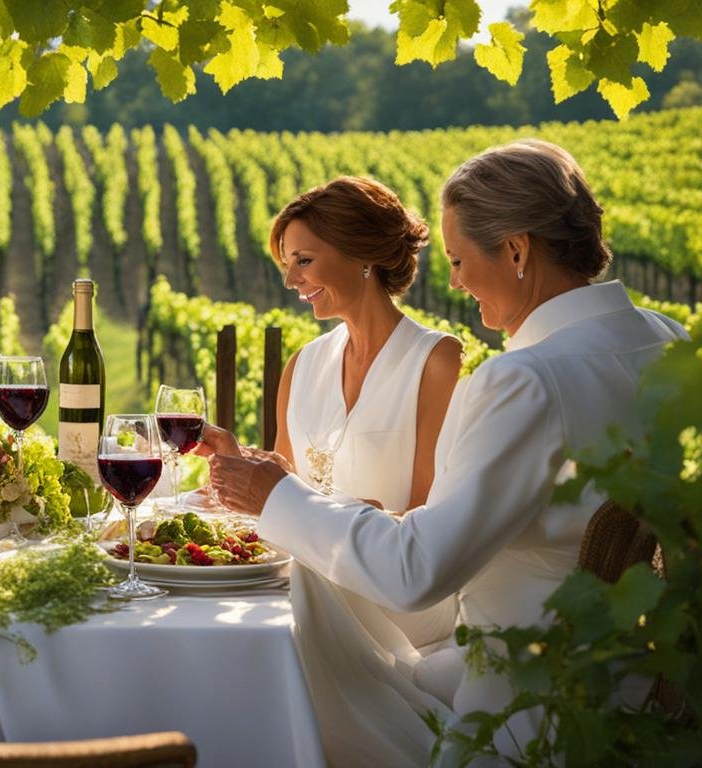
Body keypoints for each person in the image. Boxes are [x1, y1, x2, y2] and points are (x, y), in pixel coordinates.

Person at [202, 139, 688, 766]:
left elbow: (416, 574)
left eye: (459, 261)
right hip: (631, 681)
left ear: (516, 250)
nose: (454, 282)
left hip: (521, 710)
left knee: (281, 696)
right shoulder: (665, 342)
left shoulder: (527, 380)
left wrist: (278, 497)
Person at [197, 176, 463, 763]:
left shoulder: (435, 360)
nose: (291, 279)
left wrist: (309, 508)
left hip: (397, 602)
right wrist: (238, 466)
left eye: (304, 261)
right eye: (288, 263)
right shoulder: (305, 364)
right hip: (308, 580)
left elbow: (428, 526)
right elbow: (287, 491)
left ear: (362, 254)